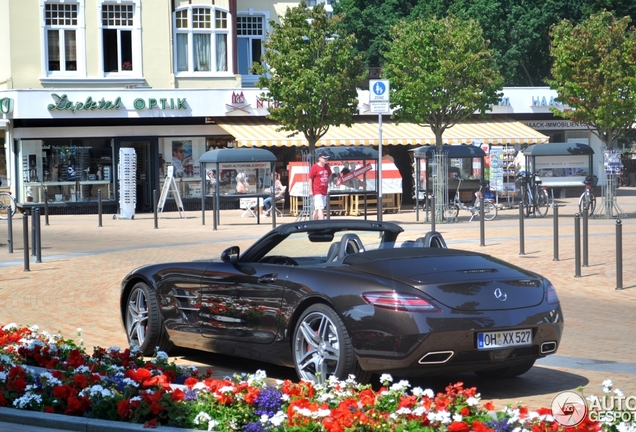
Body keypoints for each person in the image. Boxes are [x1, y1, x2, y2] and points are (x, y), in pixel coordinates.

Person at [308, 150, 332, 220]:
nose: (326, 159)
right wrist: (310, 190)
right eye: (324, 158)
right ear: (319, 158)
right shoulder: (315, 167)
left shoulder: (327, 166)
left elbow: (330, 174)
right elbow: (310, 179)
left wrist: (328, 181)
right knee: (320, 208)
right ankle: (323, 223)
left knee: (317, 208)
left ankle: (313, 223)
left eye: (327, 158)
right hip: (317, 190)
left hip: (324, 190)